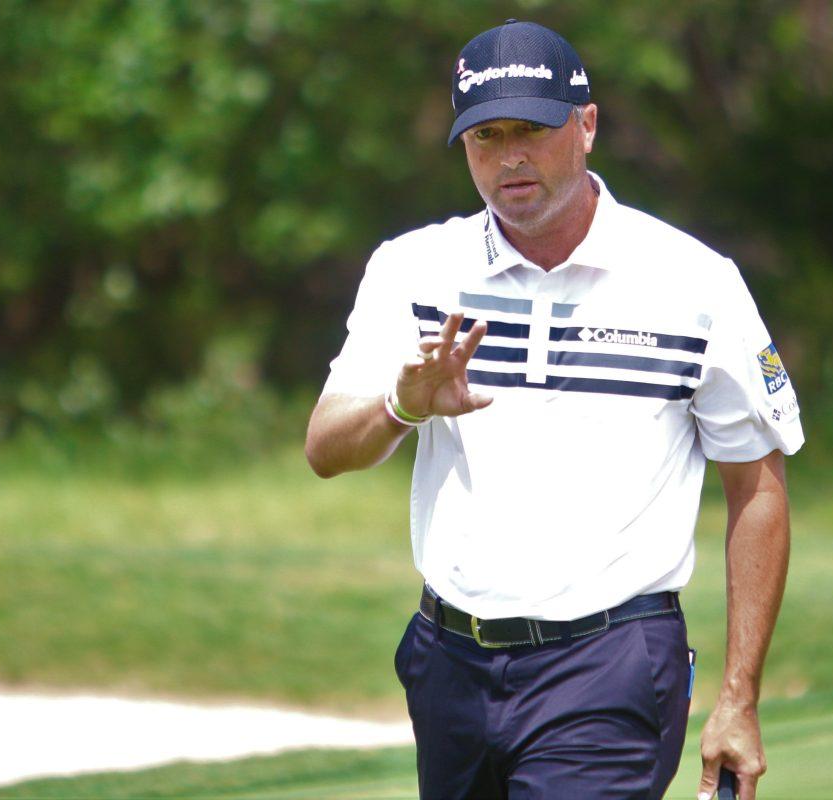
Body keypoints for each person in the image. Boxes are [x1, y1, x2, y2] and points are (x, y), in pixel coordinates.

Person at [305, 18, 803, 800]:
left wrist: (739, 698)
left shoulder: (694, 283)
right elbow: (325, 448)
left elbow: (757, 485)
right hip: (450, 662)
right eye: (486, 137)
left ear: (588, 126)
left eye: (532, 130)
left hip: (610, 664)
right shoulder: (414, 268)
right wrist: (401, 406)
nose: (510, 157)